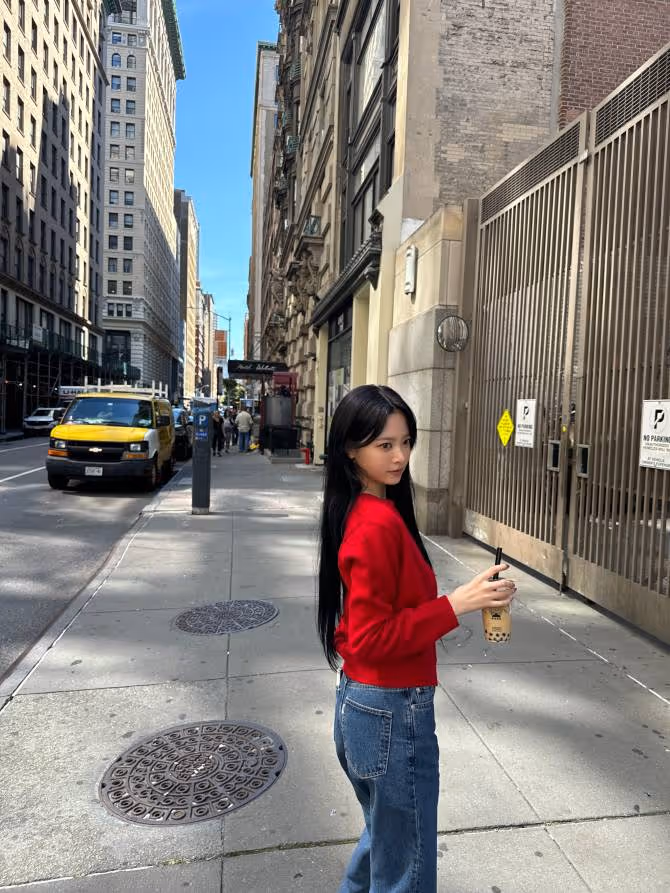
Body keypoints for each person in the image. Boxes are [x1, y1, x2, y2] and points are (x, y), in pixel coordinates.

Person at [317, 385, 516, 893]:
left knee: (385, 843)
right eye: (384, 445)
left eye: (406, 442)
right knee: (405, 867)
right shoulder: (376, 523)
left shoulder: (358, 510)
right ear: (350, 449)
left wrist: (463, 598)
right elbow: (373, 637)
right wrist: (458, 603)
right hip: (390, 710)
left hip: (364, 705)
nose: (400, 456)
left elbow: (362, 626)